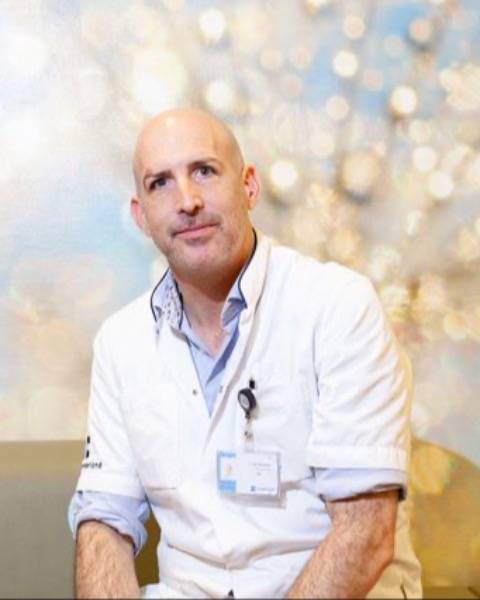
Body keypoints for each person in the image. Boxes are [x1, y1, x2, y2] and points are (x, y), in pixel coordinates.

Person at [69, 107, 422, 599]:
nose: (187, 201)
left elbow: (364, 534)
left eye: (204, 171)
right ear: (141, 216)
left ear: (249, 186)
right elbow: (103, 523)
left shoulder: (339, 306)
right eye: (160, 183)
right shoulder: (120, 341)